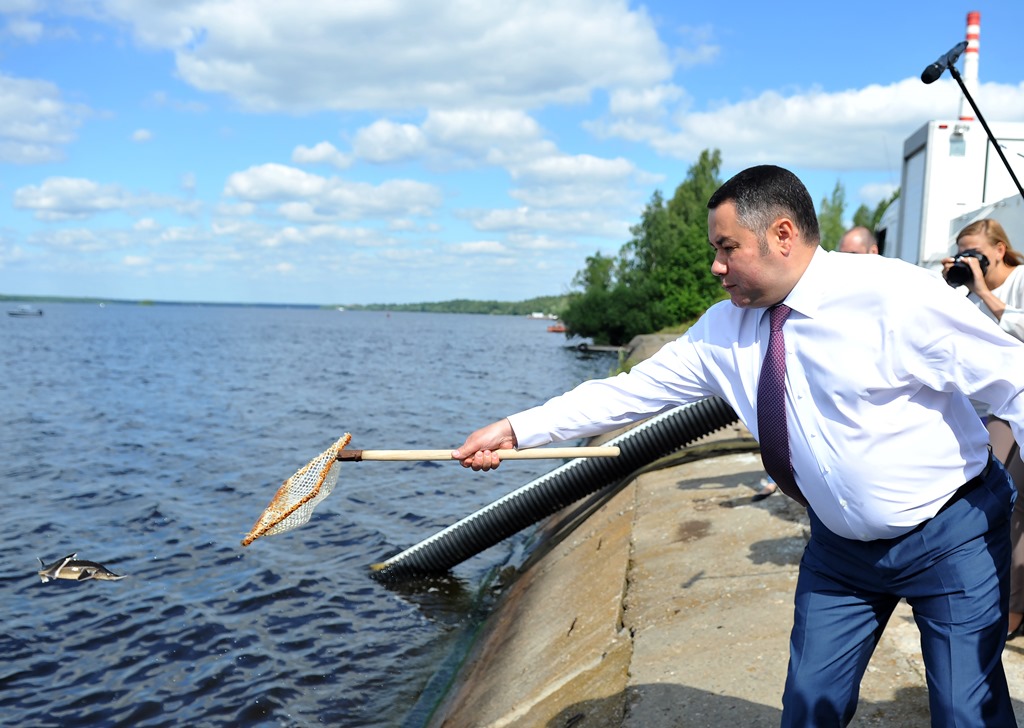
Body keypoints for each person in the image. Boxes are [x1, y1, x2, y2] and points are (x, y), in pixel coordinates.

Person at [453, 165, 1024, 727]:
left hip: (950, 534)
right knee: (807, 707)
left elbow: (1015, 382)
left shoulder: (894, 297)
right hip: (842, 551)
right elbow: (632, 393)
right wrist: (518, 429)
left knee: (965, 710)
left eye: (727, 247)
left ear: (781, 235)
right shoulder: (725, 329)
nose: (715, 265)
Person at [942, 218, 1024, 639]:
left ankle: (1011, 608)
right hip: (987, 410)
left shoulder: (1020, 280)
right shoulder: (967, 293)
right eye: (963, 253)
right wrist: (946, 289)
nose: (971, 262)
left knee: (1009, 505)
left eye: (975, 253)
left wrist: (984, 293)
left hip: (1017, 408)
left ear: (998, 249)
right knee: (983, 502)